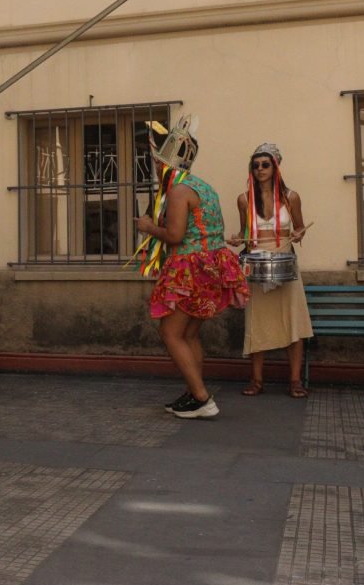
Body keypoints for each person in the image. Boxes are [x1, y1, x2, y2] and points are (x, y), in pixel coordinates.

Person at [134, 115, 249, 419]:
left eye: (157, 164)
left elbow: (174, 235)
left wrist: (147, 226)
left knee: (170, 333)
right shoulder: (202, 187)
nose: (156, 169)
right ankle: (193, 392)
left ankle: (201, 398)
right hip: (212, 265)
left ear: (163, 165)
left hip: (191, 269)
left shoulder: (177, 192)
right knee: (189, 335)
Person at [227, 143, 313, 398]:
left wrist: (299, 234)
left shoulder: (291, 197)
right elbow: (246, 235)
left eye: (265, 165)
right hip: (257, 264)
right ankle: (256, 380)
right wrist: (237, 240)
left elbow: (299, 229)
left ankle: (295, 381)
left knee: (293, 322)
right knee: (257, 323)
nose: (260, 169)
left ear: (275, 167)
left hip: (285, 262)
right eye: (255, 166)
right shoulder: (244, 199)